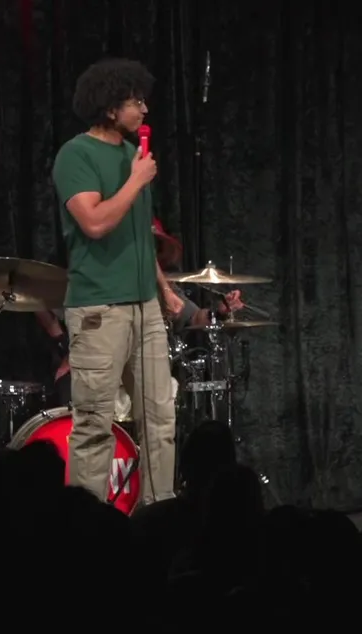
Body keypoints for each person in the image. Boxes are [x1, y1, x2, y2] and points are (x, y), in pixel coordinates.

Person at [51, 57, 176, 506]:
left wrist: (164, 290)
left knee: (160, 420)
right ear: (109, 108)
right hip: (99, 310)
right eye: (135, 102)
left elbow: (139, 233)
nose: (144, 109)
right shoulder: (76, 155)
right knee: (94, 426)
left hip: (145, 308)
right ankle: (85, 528)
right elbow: (95, 223)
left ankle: (161, 515)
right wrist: (136, 180)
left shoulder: (131, 155)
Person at [33, 219, 244, 407]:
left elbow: (195, 318)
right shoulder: (94, 280)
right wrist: (60, 340)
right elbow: (36, 299)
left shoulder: (162, 289)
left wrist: (219, 311)